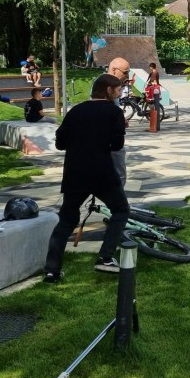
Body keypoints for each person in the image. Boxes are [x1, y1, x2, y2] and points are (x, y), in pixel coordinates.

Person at [43, 74, 128, 283]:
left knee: (66, 221)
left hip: (75, 173)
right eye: (117, 90)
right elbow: (117, 145)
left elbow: (60, 142)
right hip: (102, 173)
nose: (119, 94)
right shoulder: (114, 112)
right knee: (121, 211)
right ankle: (105, 257)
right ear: (108, 90)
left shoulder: (76, 110)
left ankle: (51, 271)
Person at [107, 57, 131, 185]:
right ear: (115, 70)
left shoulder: (111, 85)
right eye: (125, 72)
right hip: (110, 140)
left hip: (112, 138)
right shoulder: (106, 85)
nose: (127, 76)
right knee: (119, 174)